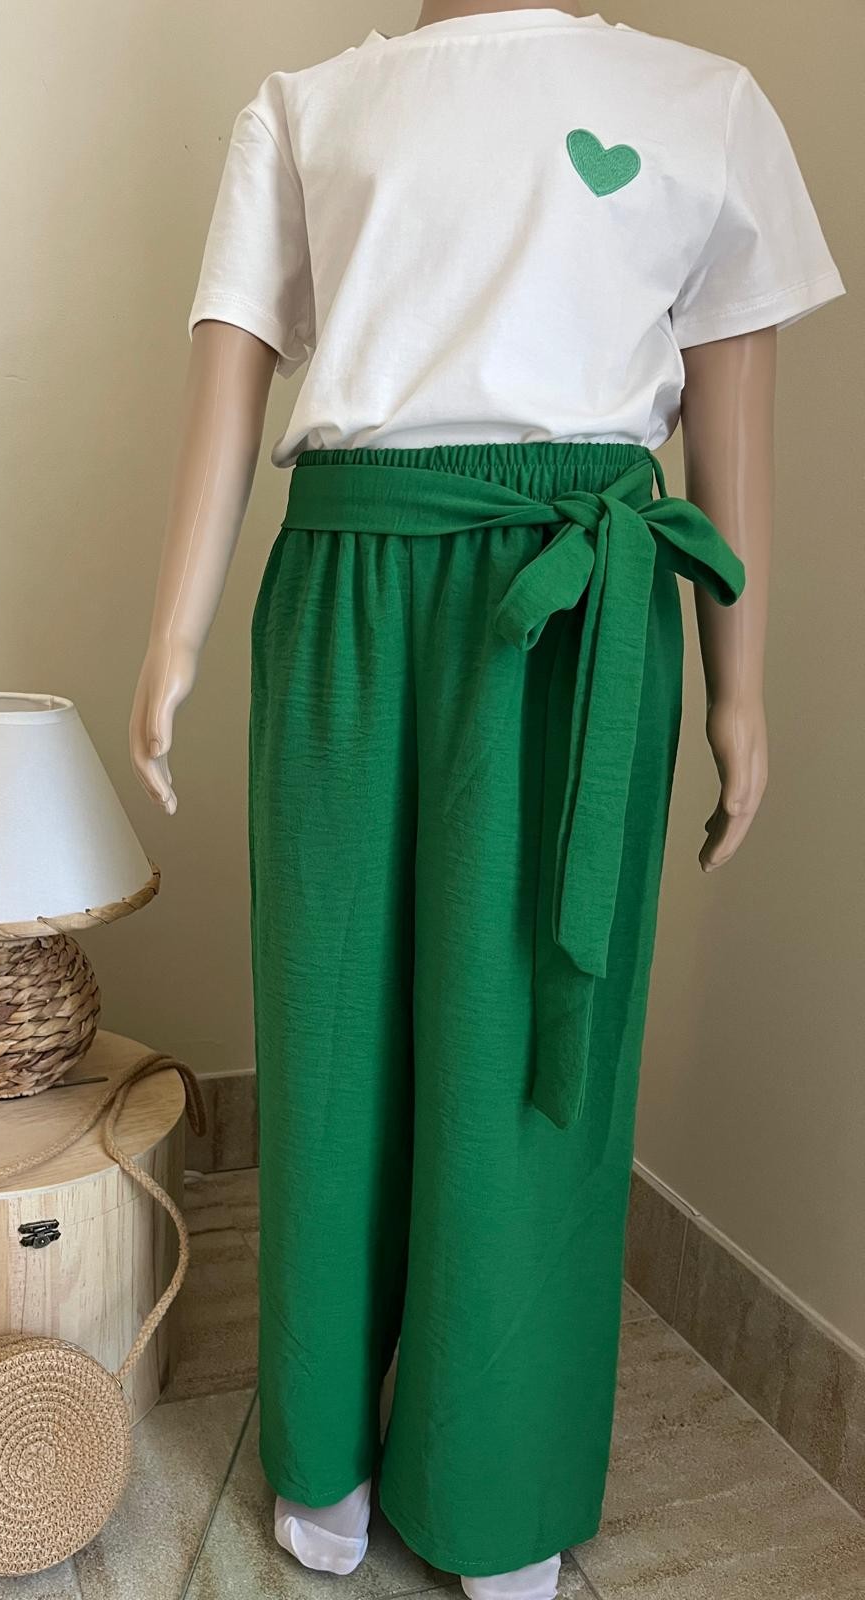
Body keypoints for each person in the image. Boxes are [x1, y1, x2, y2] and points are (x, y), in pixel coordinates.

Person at [130, 7, 844, 1597]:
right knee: (331, 1033)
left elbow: (732, 421)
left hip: (576, 609)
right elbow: (230, 383)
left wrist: (737, 687)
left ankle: (496, 1470)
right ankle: (324, 1439)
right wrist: (173, 633)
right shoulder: (303, 110)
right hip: (351, 579)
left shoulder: (706, 106)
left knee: (529, 1053)